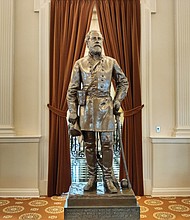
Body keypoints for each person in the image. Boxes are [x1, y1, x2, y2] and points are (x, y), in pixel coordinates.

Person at [67, 30, 129, 193]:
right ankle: (92, 177)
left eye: (99, 38)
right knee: (89, 145)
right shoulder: (79, 64)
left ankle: (108, 178)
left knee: (108, 144)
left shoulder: (111, 62)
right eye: (93, 38)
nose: (97, 41)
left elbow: (124, 82)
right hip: (87, 109)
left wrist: (117, 101)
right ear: (87, 43)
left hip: (106, 107)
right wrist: (72, 111)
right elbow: (71, 90)